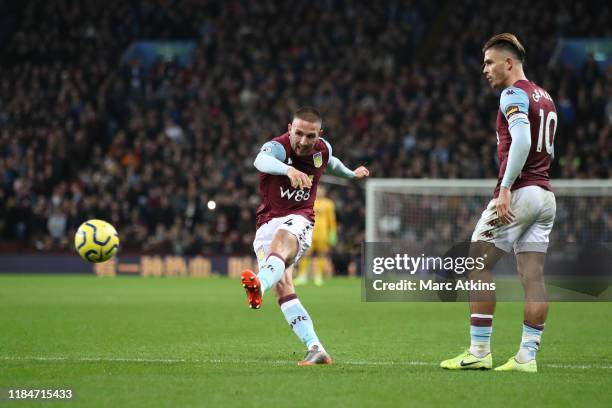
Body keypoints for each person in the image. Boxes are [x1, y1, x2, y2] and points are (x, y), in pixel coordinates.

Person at [440, 33, 557, 373]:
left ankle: (479, 351)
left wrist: (506, 187)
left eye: (490, 62)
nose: (485, 69)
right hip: (545, 196)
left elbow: (522, 138)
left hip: (520, 191)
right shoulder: (544, 96)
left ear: (509, 63)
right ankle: (527, 357)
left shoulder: (513, 93)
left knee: (477, 263)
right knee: (532, 277)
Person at [241, 107, 369, 365]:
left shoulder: (322, 149)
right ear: (290, 128)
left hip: (300, 218)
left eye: (310, 136)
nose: (303, 141)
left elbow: (331, 164)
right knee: (284, 286)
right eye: (298, 133)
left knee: (282, 240)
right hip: (266, 221)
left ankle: (259, 285)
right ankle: (315, 347)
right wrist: (287, 170)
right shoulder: (277, 148)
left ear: (319, 134)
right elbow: (260, 161)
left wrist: (351, 174)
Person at [295, 185, 337, 286]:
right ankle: (302, 276)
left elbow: (331, 219)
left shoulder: (329, 203)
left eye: (321, 189)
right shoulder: (309, 201)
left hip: (323, 234)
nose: (320, 192)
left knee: (321, 254)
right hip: (309, 233)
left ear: (325, 191)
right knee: (305, 254)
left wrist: (333, 233)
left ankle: (318, 276)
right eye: (318, 190)